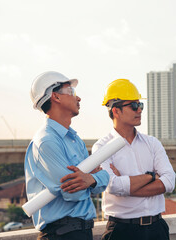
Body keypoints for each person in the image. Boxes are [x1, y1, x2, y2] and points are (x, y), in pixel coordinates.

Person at [25, 71, 109, 240]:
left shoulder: (74, 139)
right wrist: (93, 178)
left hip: (82, 231)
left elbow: (100, 184)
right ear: (55, 97)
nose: (78, 98)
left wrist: (91, 179)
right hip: (61, 233)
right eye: (72, 92)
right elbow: (73, 193)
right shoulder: (46, 142)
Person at [92, 79, 176, 240]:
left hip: (156, 229)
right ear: (116, 111)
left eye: (140, 105)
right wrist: (151, 177)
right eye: (134, 106)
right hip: (121, 231)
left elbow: (170, 181)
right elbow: (113, 186)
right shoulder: (101, 147)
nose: (140, 110)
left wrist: (127, 185)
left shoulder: (152, 143)